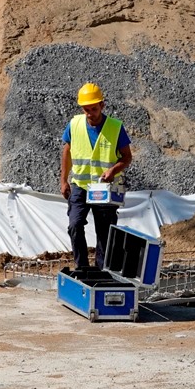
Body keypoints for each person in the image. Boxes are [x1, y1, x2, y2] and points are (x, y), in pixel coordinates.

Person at [59, 83, 133, 270]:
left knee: (104, 232)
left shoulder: (115, 127)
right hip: (80, 186)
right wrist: (63, 180)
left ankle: (102, 270)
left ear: (102, 105)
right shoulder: (74, 124)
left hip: (104, 189)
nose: (91, 113)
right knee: (75, 225)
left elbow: (127, 157)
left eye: (94, 108)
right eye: (86, 109)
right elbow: (66, 153)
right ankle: (82, 268)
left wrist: (113, 171)